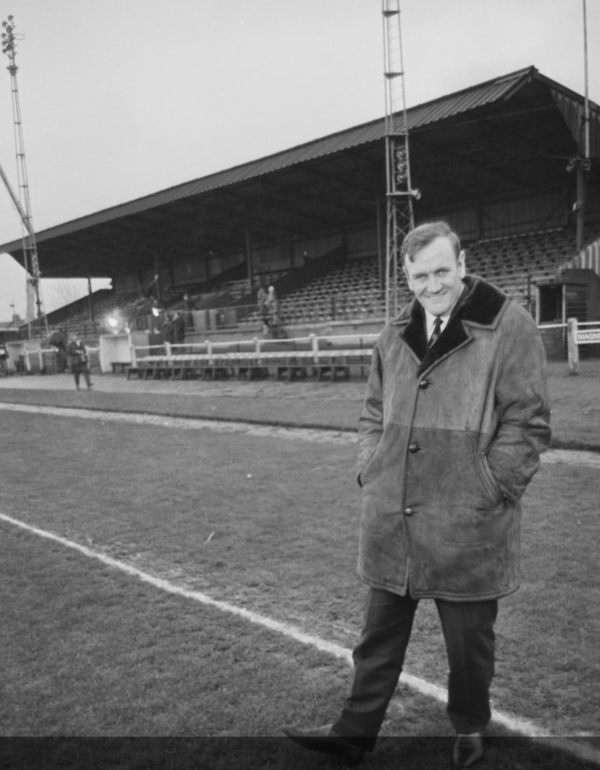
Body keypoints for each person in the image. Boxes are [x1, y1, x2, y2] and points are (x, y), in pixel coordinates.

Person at [283, 221, 551, 767]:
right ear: (406, 275)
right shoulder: (393, 335)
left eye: (441, 272)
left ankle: (471, 728)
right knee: (376, 640)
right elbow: (372, 413)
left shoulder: (510, 327)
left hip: (467, 520)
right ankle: (353, 734)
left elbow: (528, 421)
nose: (431, 286)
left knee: (468, 649)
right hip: (392, 516)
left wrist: (491, 485)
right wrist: (371, 467)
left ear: (462, 262)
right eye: (419, 276)